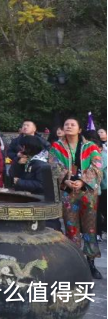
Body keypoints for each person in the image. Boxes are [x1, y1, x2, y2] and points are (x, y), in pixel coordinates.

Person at [49, 118, 103, 279]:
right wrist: (65, 179)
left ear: (80, 129)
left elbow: (97, 166)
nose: (69, 126)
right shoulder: (56, 146)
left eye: (73, 124)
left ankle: (91, 263)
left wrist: (82, 180)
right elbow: (53, 164)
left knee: (90, 228)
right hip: (68, 191)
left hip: (87, 192)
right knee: (71, 228)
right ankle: (75, 262)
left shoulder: (91, 146)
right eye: (66, 124)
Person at [98, 128, 107, 242]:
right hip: (102, 186)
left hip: (104, 186)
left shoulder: (103, 155)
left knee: (103, 210)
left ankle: (102, 231)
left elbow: (99, 167)